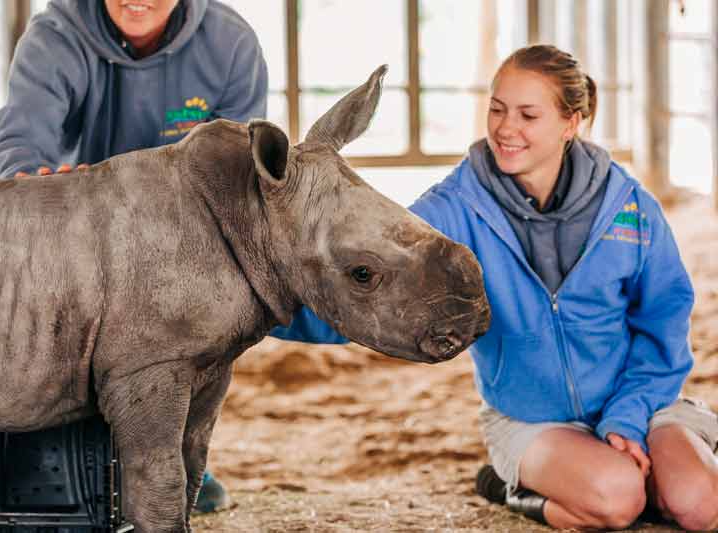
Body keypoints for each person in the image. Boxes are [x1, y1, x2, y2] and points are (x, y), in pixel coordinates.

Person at [271, 44, 718, 531]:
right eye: (498, 109)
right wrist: (267, 310)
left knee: (700, 505)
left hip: (642, 401)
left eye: (528, 114)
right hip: (533, 418)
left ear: (571, 124)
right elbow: (372, 291)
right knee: (618, 500)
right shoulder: (454, 210)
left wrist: (628, 417)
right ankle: (508, 485)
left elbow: (664, 323)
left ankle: (643, 469)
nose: (506, 128)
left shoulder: (631, 207)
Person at [0, 0, 269, 513]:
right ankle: (65, 457)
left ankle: (179, 455)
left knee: (206, 328)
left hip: (181, 238)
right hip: (77, 234)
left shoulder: (231, 45)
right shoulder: (55, 36)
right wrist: (27, 181)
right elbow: (22, 136)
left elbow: (241, 176)